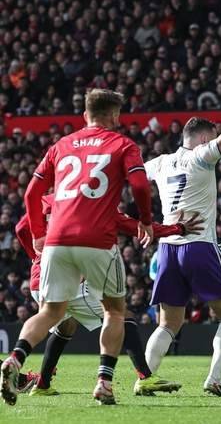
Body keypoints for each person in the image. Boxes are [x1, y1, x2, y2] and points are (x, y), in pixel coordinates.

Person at [1, 88, 154, 406]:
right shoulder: (123, 144)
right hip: (98, 239)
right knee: (114, 310)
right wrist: (147, 221)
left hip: (56, 240)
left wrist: (39, 234)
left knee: (50, 311)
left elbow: (31, 194)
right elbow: (140, 185)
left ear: (85, 115)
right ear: (115, 116)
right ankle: (104, 383)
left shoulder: (61, 145)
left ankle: (15, 357)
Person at [143, 61, 221, 397]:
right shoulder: (201, 157)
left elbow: (130, 175)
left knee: (168, 323)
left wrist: (146, 222)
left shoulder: (160, 163)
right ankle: (214, 378)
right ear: (202, 138)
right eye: (212, 137)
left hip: (167, 249)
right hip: (199, 245)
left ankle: (145, 377)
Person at [14, 195, 202, 396]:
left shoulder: (47, 199)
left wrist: (37, 256)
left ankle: (41, 384)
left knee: (65, 326)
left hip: (39, 280)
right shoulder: (94, 201)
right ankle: (145, 377)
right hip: (71, 278)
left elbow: (21, 228)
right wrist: (178, 229)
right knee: (121, 316)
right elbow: (133, 227)